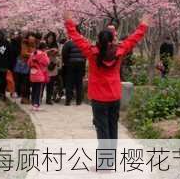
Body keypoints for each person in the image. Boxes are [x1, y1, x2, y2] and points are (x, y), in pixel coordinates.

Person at [64, 10, 150, 157]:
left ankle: (105, 162)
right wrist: (143, 25)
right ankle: (110, 160)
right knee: (112, 127)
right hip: (115, 96)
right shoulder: (120, 50)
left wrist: (69, 23)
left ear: (98, 40)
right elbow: (134, 39)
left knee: (102, 129)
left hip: (98, 97)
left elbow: (76, 38)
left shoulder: (92, 52)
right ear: (112, 40)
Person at [62, 30, 86, 106]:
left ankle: (68, 100)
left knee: (69, 82)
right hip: (81, 64)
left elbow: (64, 54)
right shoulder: (83, 43)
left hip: (70, 65)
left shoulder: (68, 43)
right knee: (79, 83)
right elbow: (85, 55)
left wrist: (66, 64)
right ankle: (79, 101)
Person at [14, 32, 36, 104]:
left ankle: (26, 98)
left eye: (33, 40)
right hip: (24, 65)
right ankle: (24, 98)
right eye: (31, 39)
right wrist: (33, 54)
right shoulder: (24, 44)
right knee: (25, 82)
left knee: (28, 83)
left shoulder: (33, 45)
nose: (32, 41)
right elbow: (24, 53)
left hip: (30, 65)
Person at [28, 43, 49, 111]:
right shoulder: (43, 54)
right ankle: (36, 104)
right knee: (39, 90)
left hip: (33, 74)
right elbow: (47, 62)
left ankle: (33, 103)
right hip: (40, 74)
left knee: (33, 89)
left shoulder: (33, 53)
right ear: (43, 48)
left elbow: (28, 63)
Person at [45, 31, 59, 105]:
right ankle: (39, 97)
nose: (50, 39)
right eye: (49, 38)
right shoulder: (44, 44)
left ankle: (48, 99)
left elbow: (57, 53)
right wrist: (48, 51)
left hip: (52, 66)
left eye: (52, 38)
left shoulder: (56, 45)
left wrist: (54, 51)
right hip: (45, 65)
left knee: (50, 83)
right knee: (44, 83)